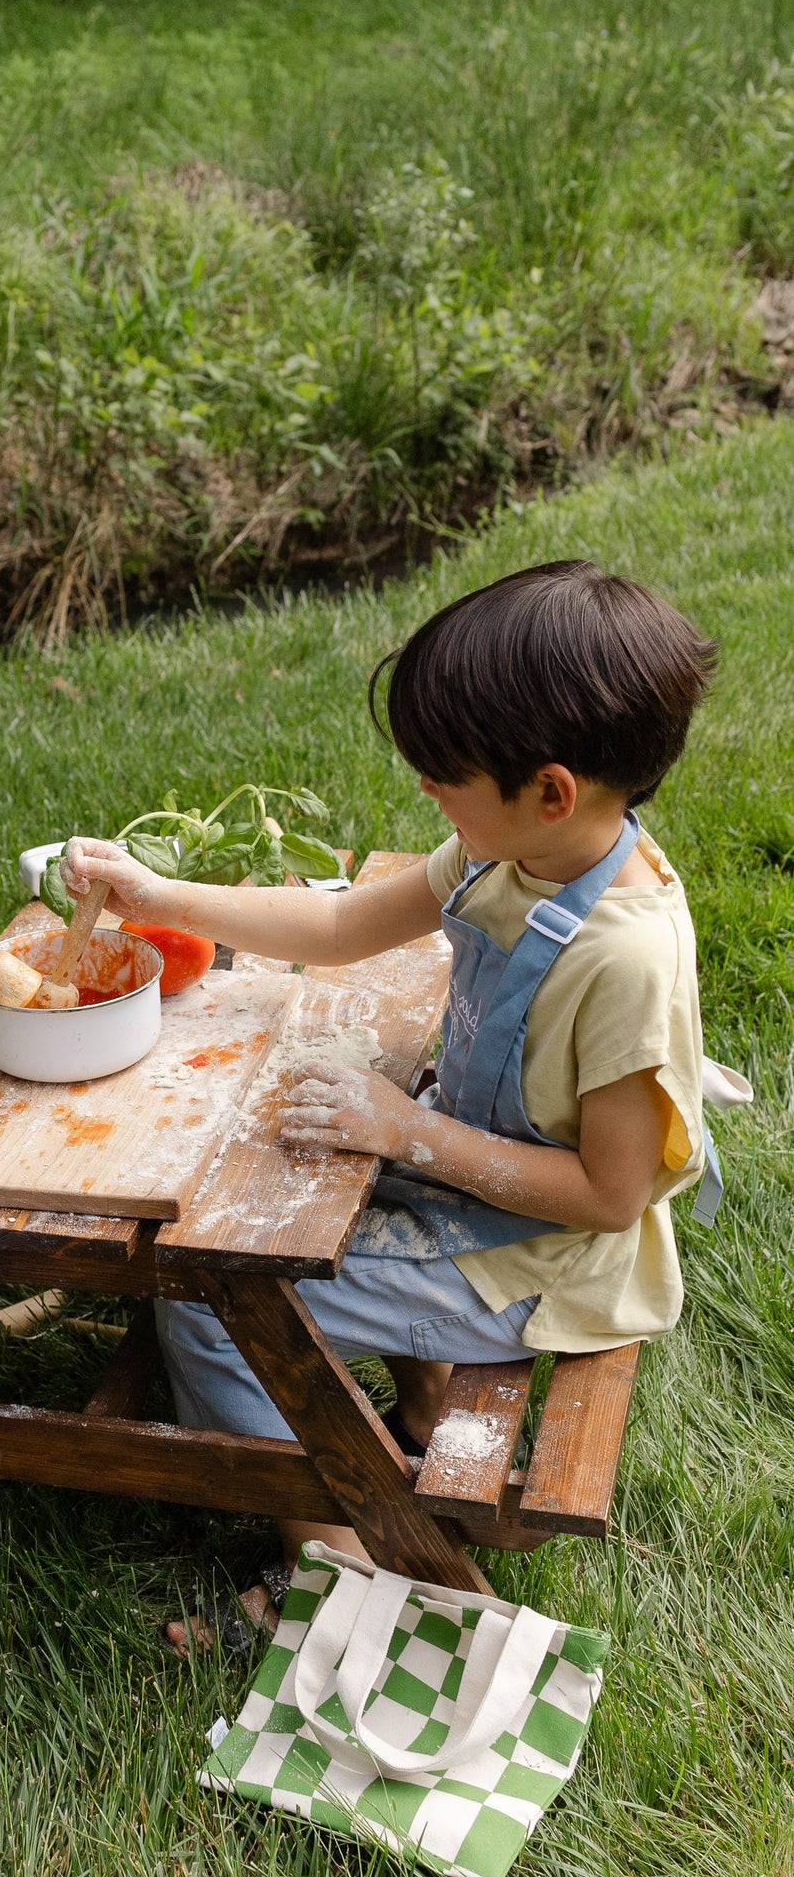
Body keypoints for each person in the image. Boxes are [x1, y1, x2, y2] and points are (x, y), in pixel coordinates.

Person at [64, 561, 721, 1656]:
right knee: (285, 1176)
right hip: (477, 1191)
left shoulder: (622, 961)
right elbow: (339, 928)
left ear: (550, 790)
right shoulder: (509, 854)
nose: (423, 786)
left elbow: (609, 1197)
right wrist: (160, 894)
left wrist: (402, 1128)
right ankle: (419, 1413)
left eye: (443, 771)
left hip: (543, 1260)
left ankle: (335, 1568)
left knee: (215, 1301)